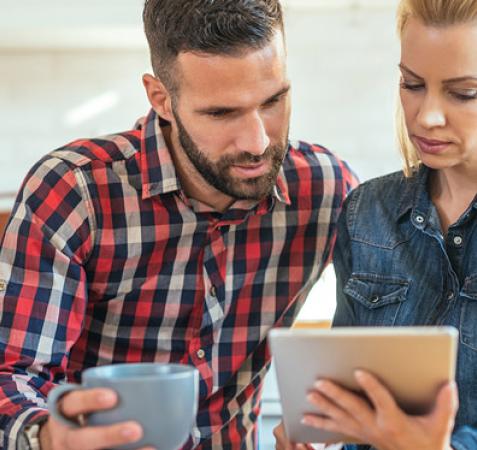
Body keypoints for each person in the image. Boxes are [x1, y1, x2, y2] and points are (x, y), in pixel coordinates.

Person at [0, 1, 357, 449]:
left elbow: (378, 346)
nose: (257, 141)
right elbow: (13, 374)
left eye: (273, 101)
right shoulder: (77, 192)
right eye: (221, 113)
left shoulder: (325, 191)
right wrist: (49, 436)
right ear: (161, 99)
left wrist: (331, 429)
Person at [275, 0, 477, 449]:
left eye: (464, 93)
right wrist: (319, 430)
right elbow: (346, 396)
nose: (427, 116)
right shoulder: (367, 212)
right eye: (412, 84)